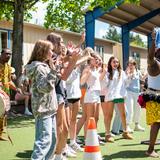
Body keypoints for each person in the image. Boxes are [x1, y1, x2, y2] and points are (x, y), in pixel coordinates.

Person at [25, 40, 58, 160]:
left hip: (49, 109)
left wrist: (53, 69)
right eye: (51, 50)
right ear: (43, 51)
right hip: (43, 109)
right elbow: (44, 88)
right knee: (44, 141)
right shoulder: (39, 68)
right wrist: (53, 71)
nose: (52, 52)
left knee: (52, 140)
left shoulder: (43, 67)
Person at [102, 56, 133, 142]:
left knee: (123, 114)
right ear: (110, 63)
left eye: (117, 62)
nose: (115, 64)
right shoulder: (107, 72)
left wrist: (129, 76)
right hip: (110, 96)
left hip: (119, 95)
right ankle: (107, 134)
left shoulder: (122, 72)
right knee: (109, 115)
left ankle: (125, 132)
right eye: (113, 62)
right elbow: (104, 85)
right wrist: (104, 74)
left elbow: (126, 83)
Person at [145, 28, 160, 158]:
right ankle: (150, 150)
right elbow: (150, 57)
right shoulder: (154, 64)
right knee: (157, 123)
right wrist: (154, 40)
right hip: (155, 97)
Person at [0, 48, 17, 141]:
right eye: (6, 54)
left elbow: (9, 81)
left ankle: (0, 133)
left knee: (3, 114)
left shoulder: (7, 66)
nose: (8, 56)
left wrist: (17, 89)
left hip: (5, 95)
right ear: (1, 54)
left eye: (10, 54)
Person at [125, 59, 145, 132]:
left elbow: (142, 79)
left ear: (135, 65)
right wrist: (130, 76)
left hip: (137, 93)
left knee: (138, 109)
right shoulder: (126, 72)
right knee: (129, 110)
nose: (131, 66)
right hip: (129, 92)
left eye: (132, 64)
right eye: (129, 64)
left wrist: (147, 73)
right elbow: (125, 83)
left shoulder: (138, 72)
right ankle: (127, 126)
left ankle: (137, 125)